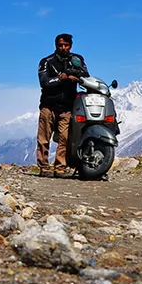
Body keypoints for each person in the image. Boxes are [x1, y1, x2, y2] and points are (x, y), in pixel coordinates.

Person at [36, 33, 90, 177]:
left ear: (70, 46)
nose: (63, 48)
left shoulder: (77, 60)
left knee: (64, 139)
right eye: (60, 45)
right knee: (43, 138)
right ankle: (44, 167)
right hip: (48, 105)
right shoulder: (46, 62)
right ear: (56, 46)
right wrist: (62, 79)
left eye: (66, 45)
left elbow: (85, 75)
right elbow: (44, 82)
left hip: (67, 106)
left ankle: (60, 168)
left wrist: (72, 75)